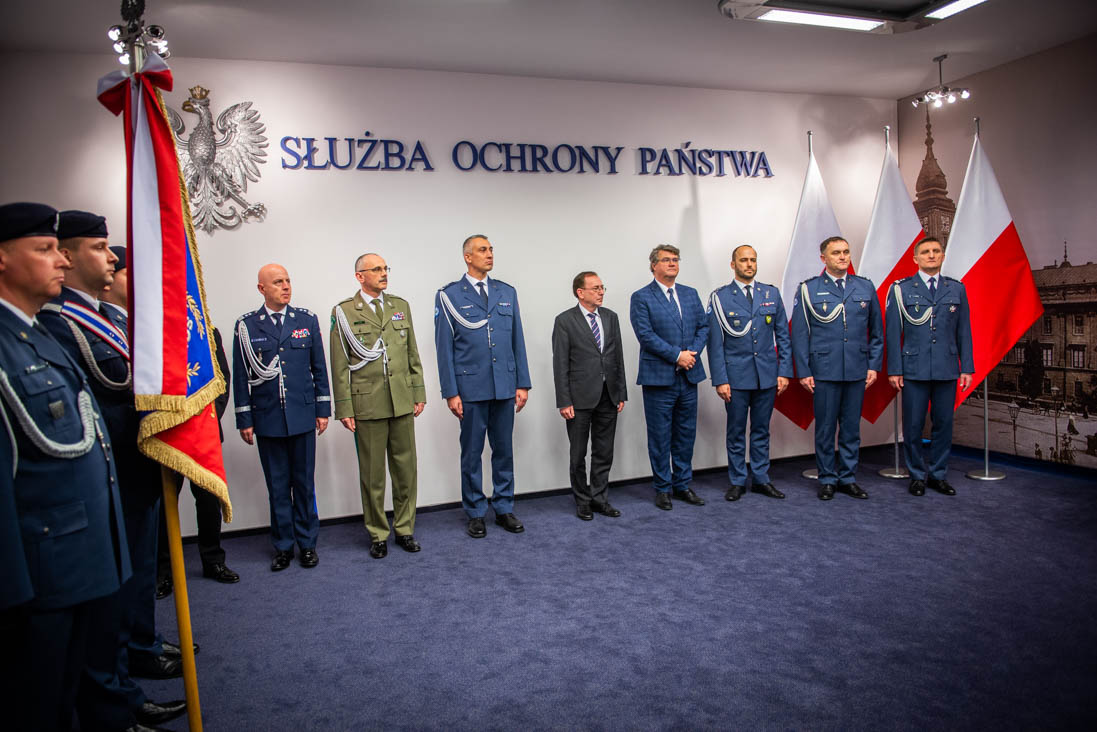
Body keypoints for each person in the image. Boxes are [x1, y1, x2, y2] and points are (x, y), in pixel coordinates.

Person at [0, 202, 164, 731]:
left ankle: (114, 703)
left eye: (59, 248)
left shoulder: (35, 334)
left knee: (67, 682)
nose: (60, 261)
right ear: (3, 258)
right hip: (47, 555)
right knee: (40, 696)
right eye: (44, 249)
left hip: (84, 530)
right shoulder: (30, 336)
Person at [39, 211, 188, 726]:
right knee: (110, 597)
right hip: (109, 474)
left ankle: (132, 660)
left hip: (133, 469)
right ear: (70, 254)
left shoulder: (107, 319)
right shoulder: (59, 324)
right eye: (100, 247)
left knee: (136, 576)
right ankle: (116, 693)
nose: (111, 257)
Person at [232, 263, 331, 570]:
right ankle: (283, 546)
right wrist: (245, 418)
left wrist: (323, 410)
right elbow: (241, 376)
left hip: (302, 415)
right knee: (277, 486)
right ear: (261, 289)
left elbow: (319, 368)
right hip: (268, 418)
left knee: (303, 484)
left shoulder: (306, 320)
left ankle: (307, 544)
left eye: (287, 280)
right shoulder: (247, 326)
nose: (286, 286)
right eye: (277, 282)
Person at [435, 235, 531, 538]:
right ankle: (476, 511)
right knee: (472, 453)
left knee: (504, 451)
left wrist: (522, 383)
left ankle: (503, 507)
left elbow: (517, 339)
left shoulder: (506, 292)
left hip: (504, 384)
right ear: (468, 256)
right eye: (482, 250)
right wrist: (451, 391)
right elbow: (444, 348)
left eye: (491, 249)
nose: (489, 254)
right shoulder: (449, 295)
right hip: (470, 387)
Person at [331, 253, 426, 558]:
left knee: (406, 470)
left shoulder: (400, 306)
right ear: (360, 276)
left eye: (385, 268)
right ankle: (377, 533)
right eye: (376, 269)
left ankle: (405, 529)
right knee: (372, 475)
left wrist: (418, 392)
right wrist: (344, 407)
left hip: (401, 400)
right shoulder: (344, 312)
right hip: (368, 403)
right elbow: (339, 364)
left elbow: (412, 354)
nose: (384, 273)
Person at [791, 236, 883, 501]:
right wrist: (804, 371)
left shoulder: (864, 286)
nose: (843, 257)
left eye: (846, 252)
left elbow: (877, 332)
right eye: (836, 253)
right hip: (824, 369)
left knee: (851, 429)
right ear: (824, 258)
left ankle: (848, 478)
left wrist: (874, 365)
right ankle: (828, 479)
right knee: (825, 429)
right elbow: (800, 335)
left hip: (856, 368)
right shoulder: (809, 289)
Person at [885, 236, 974, 497]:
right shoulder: (901, 289)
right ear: (916, 258)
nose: (931, 255)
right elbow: (893, 333)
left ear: (943, 256)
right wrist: (895, 369)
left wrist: (966, 367)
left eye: (936, 251)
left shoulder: (956, 289)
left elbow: (964, 331)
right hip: (914, 368)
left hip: (947, 366)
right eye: (925, 252)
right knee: (913, 426)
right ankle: (916, 475)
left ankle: (937, 475)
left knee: (943, 424)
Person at [156, 323, 239, 598]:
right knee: (164, 504)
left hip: (203, 432)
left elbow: (222, 380)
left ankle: (213, 560)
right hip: (168, 432)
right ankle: (163, 571)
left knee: (208, 500)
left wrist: (208, 420)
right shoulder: (154, 331)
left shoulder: (207, 332)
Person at [706, 245, 792, 501]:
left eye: (753, 260)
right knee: (735, 432)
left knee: (761, 430)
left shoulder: (770, 293)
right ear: (733, 264)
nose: (749, 264)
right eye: (743, 260)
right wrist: (720, 379)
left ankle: (762, 479)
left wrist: (784, 371)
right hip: (736, 378)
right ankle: (737, 481)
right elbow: (715, 343)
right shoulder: (720, 297)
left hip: (766, 375)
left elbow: (783, 336)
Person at [630, 244, 709, 510]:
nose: (673, 263)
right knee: (660, 437)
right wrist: (677, 356)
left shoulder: (690, 293)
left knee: (686, 434)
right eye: (666, 259)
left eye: (676, 259)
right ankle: (662, 488)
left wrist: (691, 353)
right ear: (654, 265)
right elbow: (646, 335)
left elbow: (703, 327)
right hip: (659, 378)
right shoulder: (642, 297)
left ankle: (682, 485)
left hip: (688, 376)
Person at [551, 271, 627, 520]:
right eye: (595, 288)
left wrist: (621, 392)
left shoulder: (611, 317)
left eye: (602, 287)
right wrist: (564, 400)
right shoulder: (565, 321)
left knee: (604, 451)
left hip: (609, 395)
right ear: (580, 292)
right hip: (578, 398)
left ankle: (599, 499)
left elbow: (617, 357)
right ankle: (582, 501)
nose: (601, 292)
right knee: (578, 454)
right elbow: (560, 363)